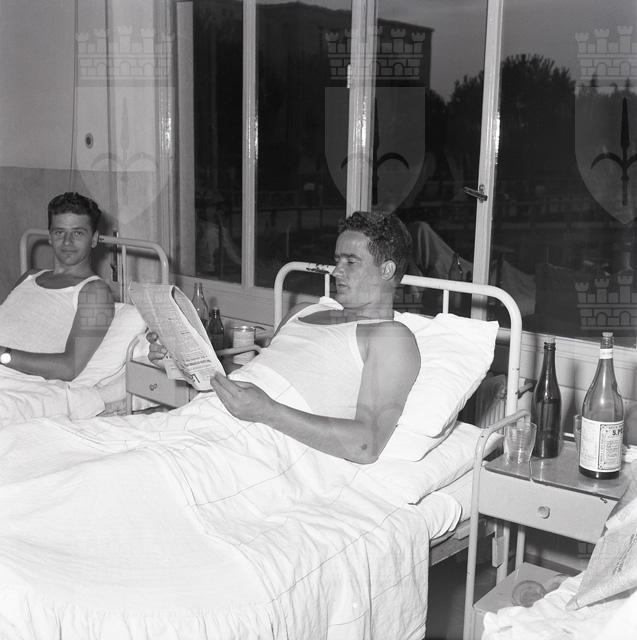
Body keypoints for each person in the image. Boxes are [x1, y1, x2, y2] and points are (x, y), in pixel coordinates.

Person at [150, 210, 421, 463]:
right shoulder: (303, 311)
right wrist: (185, 361)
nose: (336, 271)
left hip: (255, 442)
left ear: (386, 270)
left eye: (351, 262)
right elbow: (263, 377)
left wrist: (268, 411)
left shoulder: (389, 337)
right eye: (337, 260)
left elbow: (366, 444)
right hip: (206, 416)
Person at [0, 192, 114, 381]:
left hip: (12, 379)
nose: (67, 242)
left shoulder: (96, 292)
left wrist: (3, 355)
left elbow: (69, 367)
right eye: (59, 232)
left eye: (78, 233)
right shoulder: (29, 276)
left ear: (94, 239)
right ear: (50, 237)